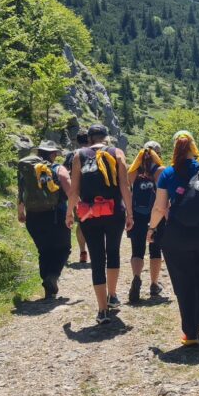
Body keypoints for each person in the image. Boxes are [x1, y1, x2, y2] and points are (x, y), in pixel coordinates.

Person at [147, 131, 199, 346]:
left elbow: (160, 207)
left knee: (183, 281)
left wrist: (151, 228)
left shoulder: (168, 173)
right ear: (194, 149)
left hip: (177, 235)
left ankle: (190, 334)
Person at [66, 124, 133, 324]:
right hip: (114, 212)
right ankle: (112, 295)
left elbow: (74, 189)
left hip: (89, 215)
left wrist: (69, 213)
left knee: (97, 258)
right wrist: (130, 213)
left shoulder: (79, 155)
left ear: (89, 139)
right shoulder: (116, 152)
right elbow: (124, 185)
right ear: (106, 137)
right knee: (113, 252)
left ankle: (102, 310)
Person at [17, 140, 71, 300]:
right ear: (53, 154)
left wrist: (21, 212)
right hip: (56, 215)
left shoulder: (26, 170)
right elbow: (69, 191)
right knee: (63, 248)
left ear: (39, 152)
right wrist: (75, 209)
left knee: (44, 251)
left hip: (33, 216)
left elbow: (21, 191)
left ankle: (48, 286)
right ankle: (52, 277)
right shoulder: (58, 168)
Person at [126, 141, 164, 303]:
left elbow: (127, 189)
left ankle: (136, 277)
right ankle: (154, 284)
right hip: (155, 215)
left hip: (137, 215)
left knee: (137, 251)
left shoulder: (133, 171)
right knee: (155, 251)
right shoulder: (160, 171)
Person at [63, 132, 90, 264]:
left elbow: (65, 174)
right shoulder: (94, 153)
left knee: (81, 223)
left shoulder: (71, 155)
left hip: (77, 195)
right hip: (95, 194)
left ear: (77, 142)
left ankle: (83, 252)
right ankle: (98, 251)